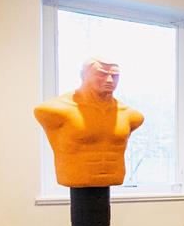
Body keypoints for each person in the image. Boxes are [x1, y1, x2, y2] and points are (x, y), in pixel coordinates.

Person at [34, 59, 143, 188]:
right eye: (102, 74)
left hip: (113, 176)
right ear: (83, 75)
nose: (109, 80)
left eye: (115, 76)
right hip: (75, 179)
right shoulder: (53, 110)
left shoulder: (131, 115)